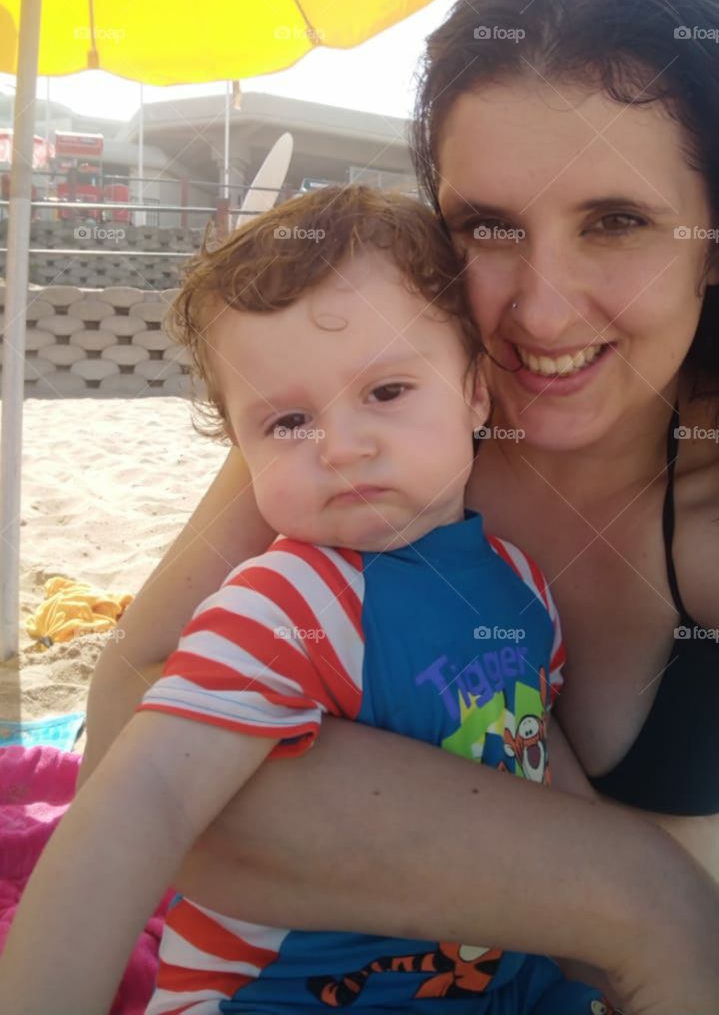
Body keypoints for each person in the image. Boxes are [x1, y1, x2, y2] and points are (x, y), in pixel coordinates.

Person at [78, 0, 719, 1012]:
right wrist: (632, 887)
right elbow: (117, 730)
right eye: (486, 226)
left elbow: (170, 787)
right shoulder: (375, 427)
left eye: (614, 222)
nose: (542, 308)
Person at [1, 186, 626, 1015]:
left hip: (489, 977)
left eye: (387, 392)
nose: (341, 445)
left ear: (475, 394)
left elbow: (540, 758)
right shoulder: (285, 602)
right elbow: (140, 801)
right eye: (287, 421)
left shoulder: (521, 585)